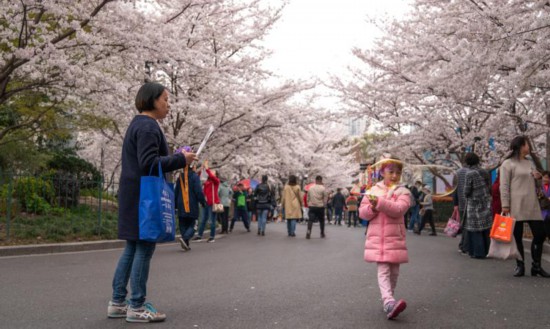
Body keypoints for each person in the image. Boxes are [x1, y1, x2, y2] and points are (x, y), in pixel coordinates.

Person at [108, 82, 196, 322]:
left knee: (132, 248)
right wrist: (180, 159)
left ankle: (117, 302)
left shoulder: (138, 124)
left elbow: (147, 160)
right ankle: (136, 306)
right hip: (143, 198)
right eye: (165, 99)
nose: (168, 105)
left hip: (134, 195)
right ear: (152, 100)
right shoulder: (148, 126)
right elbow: (148, 163)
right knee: (144, 247)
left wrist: (175, 157)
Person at [358, 157, 410, 320]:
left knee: (394, 271)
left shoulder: (403, 192)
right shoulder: (372, 190)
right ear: (382, 172)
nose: (394, 175)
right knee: (384, 270)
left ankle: (390, 302)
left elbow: (399, 209)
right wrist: (372, 208)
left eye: (398, 172)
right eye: (391, 171)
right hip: (378, 239)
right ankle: (388, 301)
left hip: (395, 237)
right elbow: (363, 213)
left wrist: (379, 203)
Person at [500, 136, 549, 277]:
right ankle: (520, 265)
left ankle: (537, 266)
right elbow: (504, 186)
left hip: (532, 203)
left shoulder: (529, 163)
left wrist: (538, 178)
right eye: (527, 144)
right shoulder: (507, 164)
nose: (529, 146)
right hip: (515, 204)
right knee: (517, 236)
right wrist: (505, 205)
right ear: (521, 146)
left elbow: (535, 184)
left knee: (540, 234)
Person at [174, 156, 206, 252]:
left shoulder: (180, 177)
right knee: (193, 224)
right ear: (193, 167)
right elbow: (198, 191)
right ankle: (185, 239)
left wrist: (175, 205)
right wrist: (203, 202)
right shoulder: (195, 177)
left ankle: (186, 244)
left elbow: (176, 192)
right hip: (192, 206)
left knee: (183, 224)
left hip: (181, 205)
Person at [463, 153, 492, 259]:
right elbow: (489, 186)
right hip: (485, 202)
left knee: (475, 228)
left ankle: (477, 252)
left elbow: (466, 190)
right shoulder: (484, 171)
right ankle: (487, 250)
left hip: (474, 203)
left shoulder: (469, 173)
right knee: (485, 227)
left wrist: (466, 195)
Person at [194, 160, 220, 243]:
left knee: (212, 220)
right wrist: (202, 169)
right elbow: (198, 178)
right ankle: (199, 236)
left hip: (213, 203)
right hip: (206, 203)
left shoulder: (216, 181)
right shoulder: (207, 182)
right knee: (203, 220)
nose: (211, 172)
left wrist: (207, 169)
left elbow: (212, 177)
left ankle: (212, 237)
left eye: (213, 172)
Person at [454, 161, 471, 254]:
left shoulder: (457, 172)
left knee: (463, 224)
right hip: (470, 203)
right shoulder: (472, 172)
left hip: (461, 203)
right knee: (469, 225)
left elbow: (454, 189)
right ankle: (465, 246)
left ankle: (462, 245)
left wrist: (455, 204)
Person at [540, 172, 550, 242]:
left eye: (547, 177)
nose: (545, 179)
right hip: (542, 210)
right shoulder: (539, 187)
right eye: (544, 177)